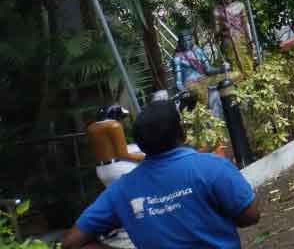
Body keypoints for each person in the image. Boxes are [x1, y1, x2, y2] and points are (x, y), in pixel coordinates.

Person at [62, 100, 260, 249]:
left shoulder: (120, 190)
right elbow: (250, 216)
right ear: (181, 132)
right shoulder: (212, 166)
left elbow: (71, 243)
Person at [214, 0, 254, 76]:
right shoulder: (217, 10)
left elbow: (246, 23)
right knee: (232, 61)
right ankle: (238, 80)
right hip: (227, 40)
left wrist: (250, 38)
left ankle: (250, 77)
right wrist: (218, 36)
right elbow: (217, 29)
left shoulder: (240, 5)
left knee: (246, 58)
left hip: (241, 37)